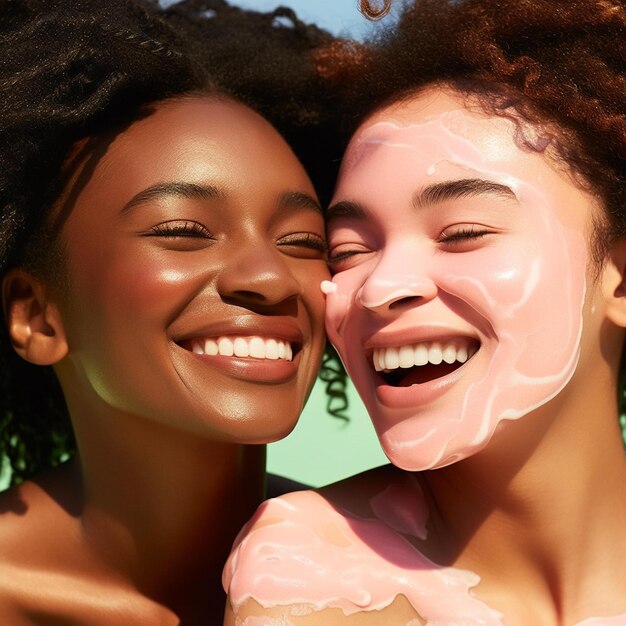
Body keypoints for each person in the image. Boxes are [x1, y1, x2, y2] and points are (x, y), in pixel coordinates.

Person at [223, 0, 626, 623]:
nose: (381, 286)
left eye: (463, 232)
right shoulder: (306, 578)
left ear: (620, 281)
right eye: (349, 250)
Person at [0, 0, 343, 622]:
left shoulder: (397, 578)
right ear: (37, 317)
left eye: (303, 242)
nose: (269, 276)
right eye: (185, 231)